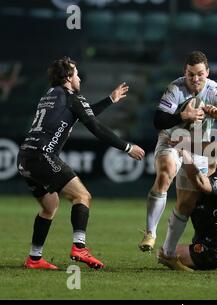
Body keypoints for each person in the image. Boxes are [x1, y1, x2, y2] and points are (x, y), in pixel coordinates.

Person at [17, 57, 145, 270]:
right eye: (76, 74)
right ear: (68, 77)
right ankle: (79, 247)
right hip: (43, 156)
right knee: (82, 196)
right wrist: (127, 147)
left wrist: (110, 100)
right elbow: (95, 127)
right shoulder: (72, 97)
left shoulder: (50, 95)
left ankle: (34, 258)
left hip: (25, 158)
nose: (79, 78)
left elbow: (80, 114)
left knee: (50, 206)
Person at [139, 51, 217, 267]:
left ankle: (168, 253)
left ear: (207, 73)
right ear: (184, 72)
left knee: (189, 204)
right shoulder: (175, 88)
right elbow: (159, 121)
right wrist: (182, 116)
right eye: (191, 75)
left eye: (200, 75)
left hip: (196, 146)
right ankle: (150, 232)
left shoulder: (215, 90)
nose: (195, 79)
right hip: (172, 140)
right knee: (166, 173)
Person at [157, 150, 217, 271]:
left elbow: (200, 183)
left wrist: (186, 157)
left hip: (215, 250)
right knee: (166, 249)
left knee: (165, 253)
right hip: (205, 243)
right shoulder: (196, 183)